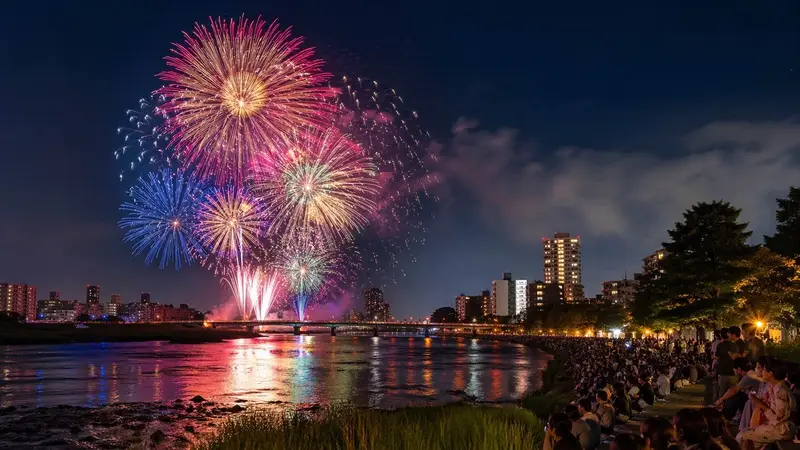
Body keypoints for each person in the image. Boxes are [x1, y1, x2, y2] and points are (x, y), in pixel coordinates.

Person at [737, 361, 797, 450]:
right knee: (745, 432)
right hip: (776, 427)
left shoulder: (781, 391)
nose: (762, 372)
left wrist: (761, 405)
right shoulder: (773, 387)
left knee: (742, 436)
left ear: (771, 374)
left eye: (764, 370)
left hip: (782, 430)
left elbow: (779, 418)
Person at [716, 328, 739, 402]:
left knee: (722, 394)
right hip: (732, 372)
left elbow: (717, 357)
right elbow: (735, 357)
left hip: (722, 372)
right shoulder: (734, 345)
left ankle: (721, 409)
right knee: (733, 394)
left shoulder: (720, 345)